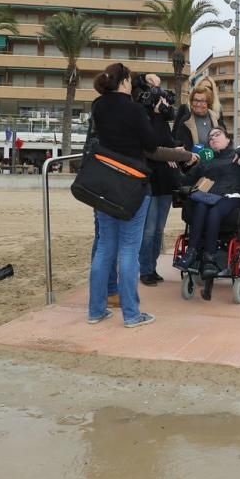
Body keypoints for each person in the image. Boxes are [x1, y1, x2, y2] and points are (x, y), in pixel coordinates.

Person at [88, 63, 194, 328]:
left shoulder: (98, 106)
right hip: (133, 185)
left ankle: (96, 310)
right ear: (125, 82)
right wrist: (181, 153)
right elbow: (150, 146)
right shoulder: (135, 110)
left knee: (104, 248)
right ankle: (132, 315)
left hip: (105, 184)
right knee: (129, 250)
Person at [173, 128, 240, 290]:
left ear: (228, 139)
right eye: (210, 137)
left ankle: (209, 257)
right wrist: (177, 165)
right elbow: (186, 181)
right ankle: (192, 252)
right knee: (201, 204)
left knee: (214, 208)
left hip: (233, 197)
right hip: (209, 198)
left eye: (217, 135)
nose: (213, 138)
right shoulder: (206, 161)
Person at [137, 74, 183, 287]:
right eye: (161, 99)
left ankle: (151, 267)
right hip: (150, 181)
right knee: (148, 229)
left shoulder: (163, 121)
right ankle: (145, 269)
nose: (165, 104)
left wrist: (176, 150)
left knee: (158, 230)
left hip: (165, 181)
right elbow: (153, 147)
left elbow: (168, 143)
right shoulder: (144, 119)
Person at [173, 84, 227, 151]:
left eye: (202, 101)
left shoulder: (217, 118)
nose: (198, 104)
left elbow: (226, 142)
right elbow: (179, 144)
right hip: (194, 160)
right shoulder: (185, 121)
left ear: (208, 103)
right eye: (195, 100)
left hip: (216, 160)